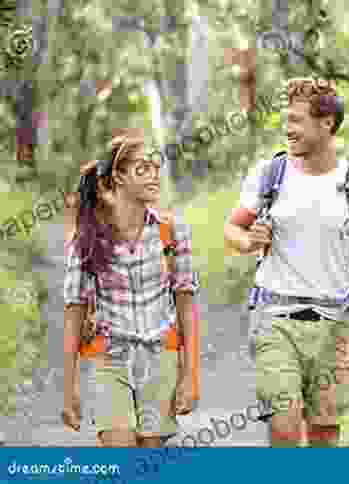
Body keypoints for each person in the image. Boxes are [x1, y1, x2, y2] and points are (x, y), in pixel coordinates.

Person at [224, 78, 349, 447]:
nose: (288, 128)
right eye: (287, 119)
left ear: (326, 123)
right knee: (283, 424)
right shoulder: (270, 175)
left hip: (335, 324)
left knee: (324, 433)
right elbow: (232, 229)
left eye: (296, 120)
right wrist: (248, 240)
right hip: (275, 319)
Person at [61, 129, 200, 447]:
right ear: (119, 177)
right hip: (110, 358)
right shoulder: (88, 239)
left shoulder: (172, 231)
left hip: (160, 359)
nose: (154, 176)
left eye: (155, 168)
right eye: (142, 169)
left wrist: (190, 376)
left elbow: (187, 308)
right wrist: (69, 390)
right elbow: (73, 315)